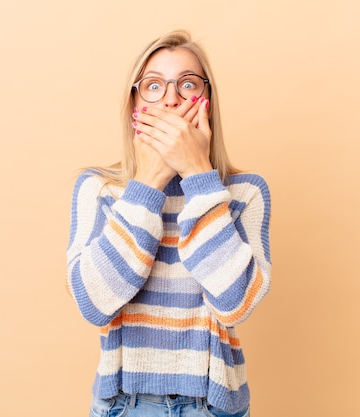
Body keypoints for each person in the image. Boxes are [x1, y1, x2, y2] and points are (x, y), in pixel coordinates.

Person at [66, 30, 271, 417]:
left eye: (187, 84)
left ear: (206, 105)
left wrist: (198, 173)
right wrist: (147, 184)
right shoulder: (100, 190)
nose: (171, 98)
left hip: (214, 404)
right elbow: (94, 304)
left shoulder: (244, 193)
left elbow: (235, 304)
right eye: (154, 85)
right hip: (122, 404)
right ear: (134, 106)